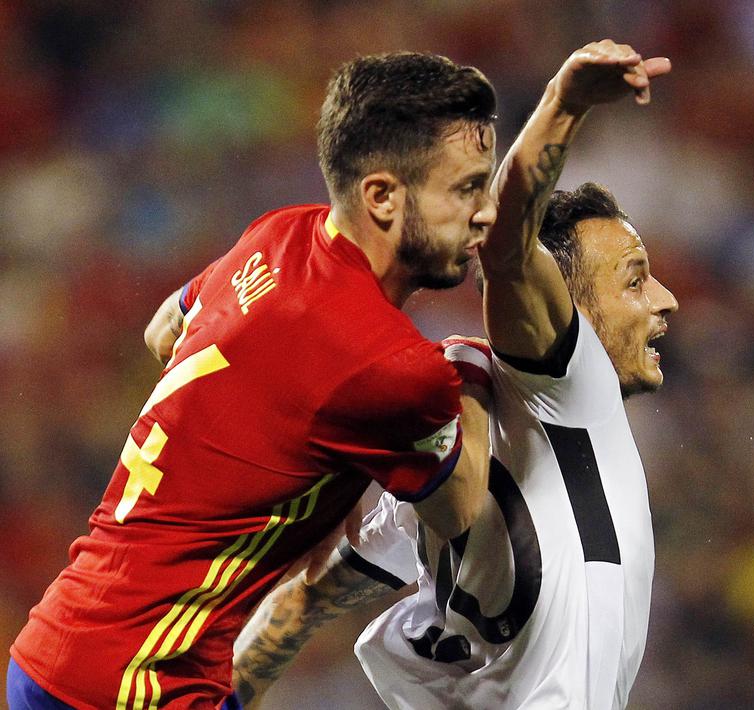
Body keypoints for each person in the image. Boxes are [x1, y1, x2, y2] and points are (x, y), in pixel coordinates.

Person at [8, 52, 502, 710]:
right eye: (465, 188)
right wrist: (468, 369)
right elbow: (458, 507)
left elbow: (163, 330)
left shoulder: (281, 234)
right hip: (142, 686)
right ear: (381, 196)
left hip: (57, 649)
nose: (485, 213)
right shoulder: (393, 367)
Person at [231, 41, 677, 709]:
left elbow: (302, 604)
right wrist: (565, 102)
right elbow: (507, 247)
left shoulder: (447, 445)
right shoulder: (567, 384)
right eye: (635, 281)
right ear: (565, 309)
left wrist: (228, 697)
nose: (664, 299)